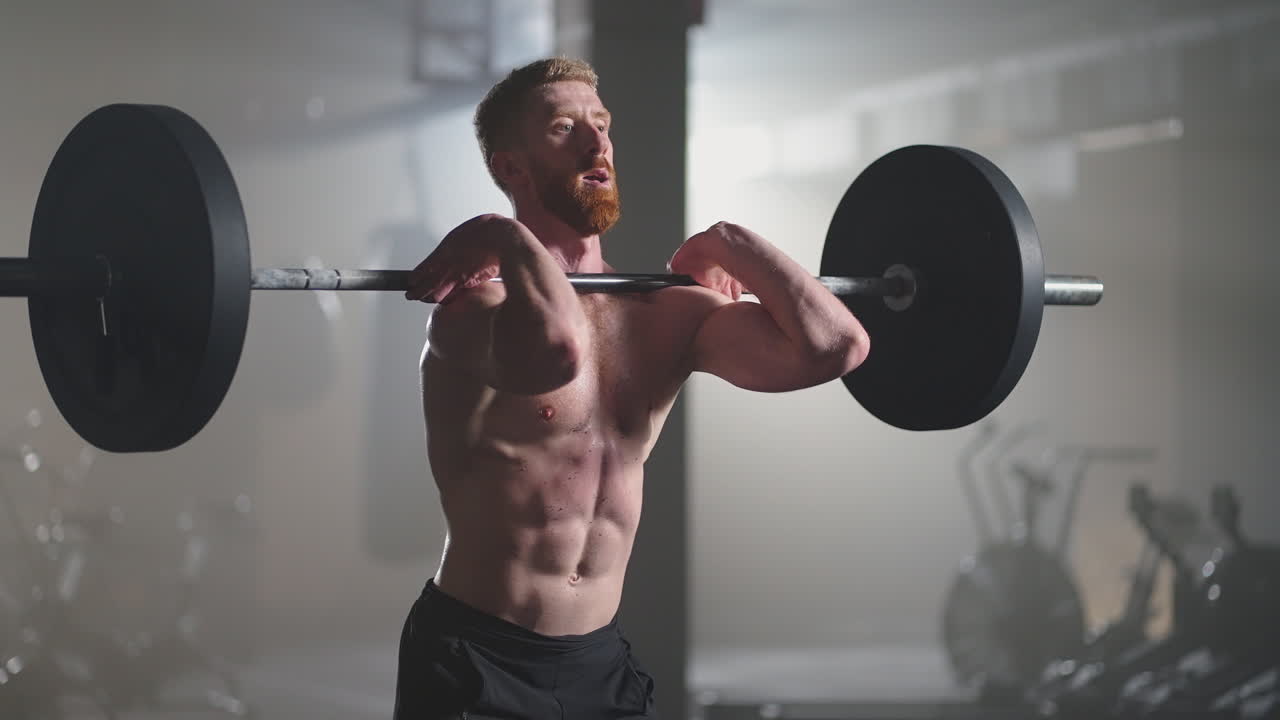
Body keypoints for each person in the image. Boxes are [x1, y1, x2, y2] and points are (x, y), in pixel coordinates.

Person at [395, 57, 869, 719]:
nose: (597, 144)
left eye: (602, 124)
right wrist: (501, 235)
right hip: (477, 656)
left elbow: (835, 346)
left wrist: (728, 242)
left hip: (597, 664)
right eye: (565, 128)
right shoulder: (471, 310)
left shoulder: (662, 314)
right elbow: (556, 350)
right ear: (511, 168)